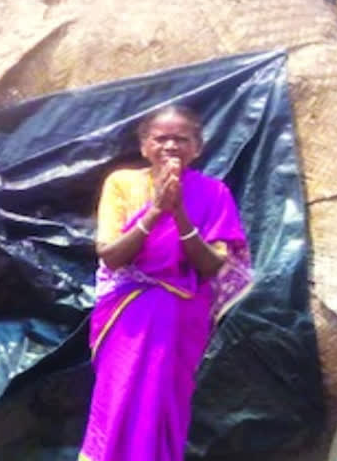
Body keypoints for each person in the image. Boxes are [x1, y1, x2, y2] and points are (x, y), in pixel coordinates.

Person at [78, 105, 253, 461]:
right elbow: (112, 256)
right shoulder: (122, 183)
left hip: (182, 317)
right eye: (161, 138)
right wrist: (157, 209)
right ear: (144, 146)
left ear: (197, 148)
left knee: (164, 404)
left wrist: (180, 213)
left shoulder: (213, 193)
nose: (171, 146)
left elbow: (209, 266)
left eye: (181, 139)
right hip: (128, 313)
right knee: (119, 398)